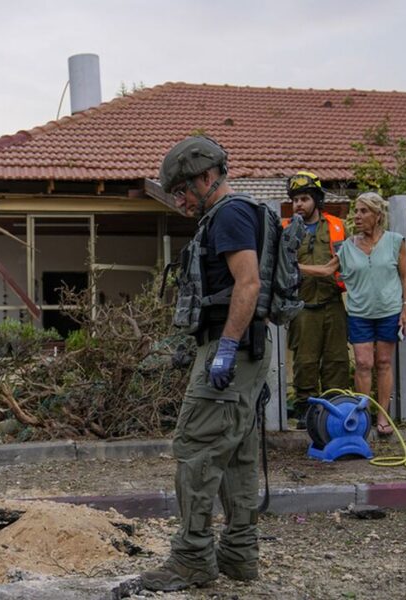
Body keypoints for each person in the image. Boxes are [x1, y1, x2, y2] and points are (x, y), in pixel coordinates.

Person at [141, 135, 271, 592]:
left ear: (207, 177)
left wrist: (227, 348)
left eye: (183, 189)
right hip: (239, 347)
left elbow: (248, 283)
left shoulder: (230, 214)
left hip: (231, 344)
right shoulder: (229, 214)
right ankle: (238, 554)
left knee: (196, 448)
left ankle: (193, 557)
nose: (180, 199)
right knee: (235, 451)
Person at [334, 192, 406, 436]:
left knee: (384, 362)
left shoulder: (394, 241)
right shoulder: (347, 246)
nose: (356, 216)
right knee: (363, 363)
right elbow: (328, 269)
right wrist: (294, 266)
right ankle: (361, 417)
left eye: (363, 211)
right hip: (360, 314)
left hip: (389, 312)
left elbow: (405, 276)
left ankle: (383, 418)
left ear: (378, 216)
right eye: (356, 211)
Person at [282, 171, 350, 428]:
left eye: (305, 198)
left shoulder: (336, 225)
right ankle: (306, 413)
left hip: (333, 303)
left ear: (317, 200)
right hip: (303, 305)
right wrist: (318, 270)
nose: (299, 204)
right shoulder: (285, 229)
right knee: (305, 360)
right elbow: (283, 265)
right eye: (296, 199)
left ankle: (338, 411)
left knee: (337, 360)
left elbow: (346, 260)